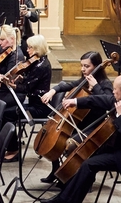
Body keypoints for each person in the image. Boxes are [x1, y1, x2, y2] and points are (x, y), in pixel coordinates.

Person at [42, 75, 121, 203]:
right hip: (116, 147)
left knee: (89, 164)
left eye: (115, 89)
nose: (112, 92)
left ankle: (66, 200)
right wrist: (75, 102)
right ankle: (63, 197)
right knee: (80, 155)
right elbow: (99, 99)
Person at [39, 51, 113, 184]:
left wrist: (96, 86)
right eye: (82, 65)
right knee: (55, 140)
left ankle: (79, 178)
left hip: (93, 126)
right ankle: (56, 171)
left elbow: (108, 102)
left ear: (97, 66)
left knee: (70, 144)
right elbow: (67, 84)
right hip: (79, 123)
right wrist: (52, 91)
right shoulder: (84, 80)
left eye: (87, 66)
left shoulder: (105, 83)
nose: (83, 69)